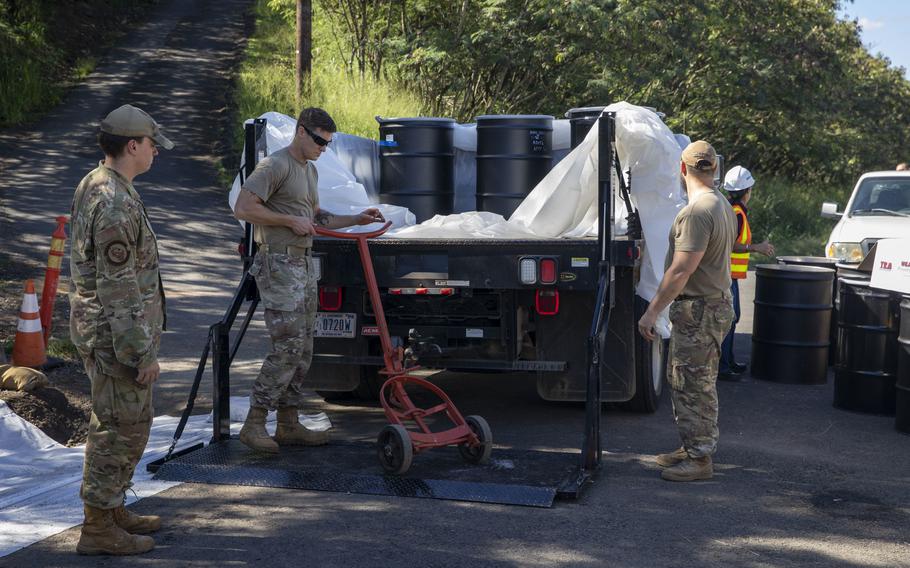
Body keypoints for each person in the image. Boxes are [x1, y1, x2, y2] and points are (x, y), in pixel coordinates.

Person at [233, 107, 384, 453]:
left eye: (327, 143)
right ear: (300, 132)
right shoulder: (275, 166)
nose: (322, 147)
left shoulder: (309, 171)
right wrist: (288, 221)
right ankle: (254, 423)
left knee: (304, 349)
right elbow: (243, 208)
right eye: (318, 140)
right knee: (286, 347)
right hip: (278, 263)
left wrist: (357, 218)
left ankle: (288, 422)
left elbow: (317, 217)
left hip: (302, 266)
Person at [70, 104, 173, 555]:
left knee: (129, 424)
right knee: (116, 429)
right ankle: (97, 528)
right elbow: (118, 285)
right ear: (133, 145)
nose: (155, 152)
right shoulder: (111, 199)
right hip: (117, 337)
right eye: (152, 144)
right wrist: (138, 353)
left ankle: (112, 509)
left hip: (112, 332)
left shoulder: (106, 185)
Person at [637, 140, 737, 482]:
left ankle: (699, 458)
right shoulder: (722, 204)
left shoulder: (698, 212)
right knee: (689, 381)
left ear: (683, 170)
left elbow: (681, 271)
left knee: (694, 383)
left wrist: (652, 311)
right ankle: (690, 446)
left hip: (700, 310)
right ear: (715, 169)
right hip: (712, 305)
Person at [718, 166, 774, 381]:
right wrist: (756, 247)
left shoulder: (731, 210)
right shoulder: (737, 213)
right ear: (747, 191)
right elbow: (731, 244)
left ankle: (728, 362)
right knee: (730, 318)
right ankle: (724, 367)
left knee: (733, 317)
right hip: (728, 274)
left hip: (730, 274)